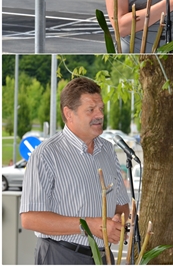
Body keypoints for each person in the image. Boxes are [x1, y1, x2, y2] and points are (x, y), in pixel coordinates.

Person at [20, 77, 130, 265]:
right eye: (91, 110)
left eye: (101, 109)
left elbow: (121, 205)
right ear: (68, 114)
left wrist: (117, 223)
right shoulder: (46, 154)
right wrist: (89, 226)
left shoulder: (108, 150)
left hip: (105, 257)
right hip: (61, 255)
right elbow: (30, 219)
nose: (100, 115)